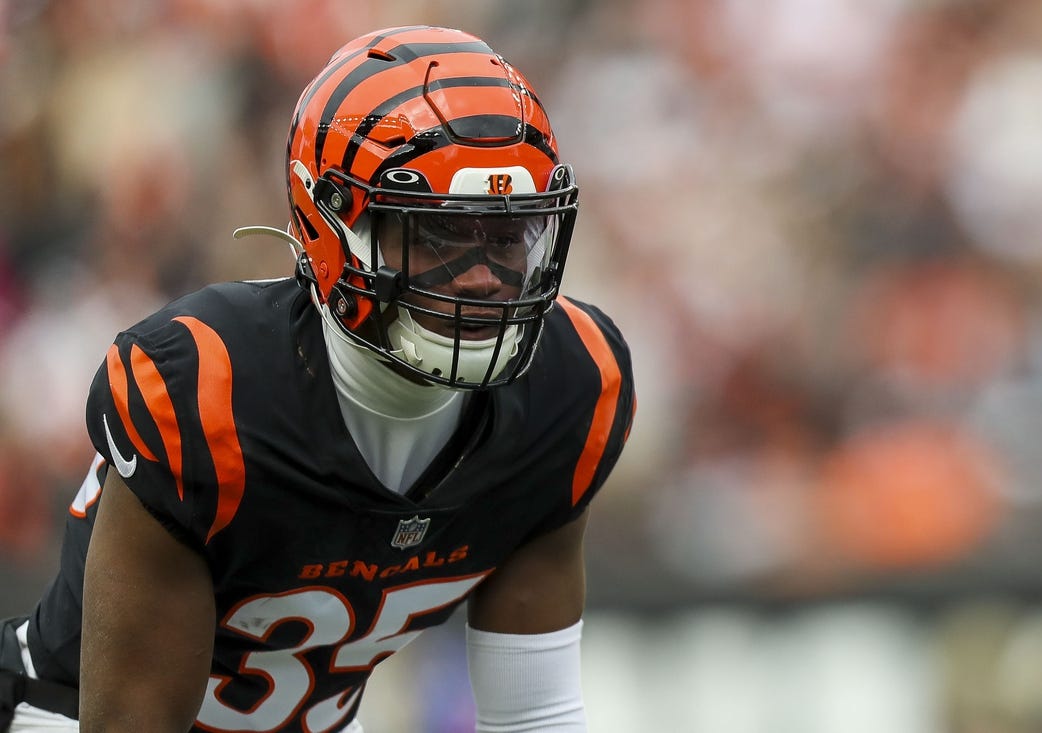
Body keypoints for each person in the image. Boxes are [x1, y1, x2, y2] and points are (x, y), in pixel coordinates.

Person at [0, 25, 635, 733]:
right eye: (439, 234)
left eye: (506, 233)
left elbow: (535, 715)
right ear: (331, 224)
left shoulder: (571, 385)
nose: (484, 277)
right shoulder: (208, 392)